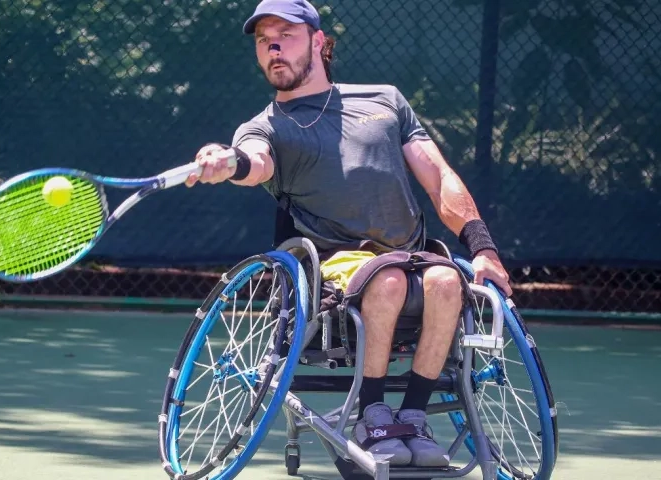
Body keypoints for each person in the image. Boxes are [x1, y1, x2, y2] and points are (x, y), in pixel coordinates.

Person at [184, 0, 512, 469]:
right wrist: (227, 162)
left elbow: (438, 176)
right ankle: (372, 416)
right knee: (390, 279)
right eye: (263, 40)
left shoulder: (385, 101)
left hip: (413, 256)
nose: (273, 46)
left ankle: (413, 416)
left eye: (286, 35)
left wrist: (482, 248)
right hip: (336, 266)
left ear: (319, 42)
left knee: (445, 281)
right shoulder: (266, 127)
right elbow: (255, 162)